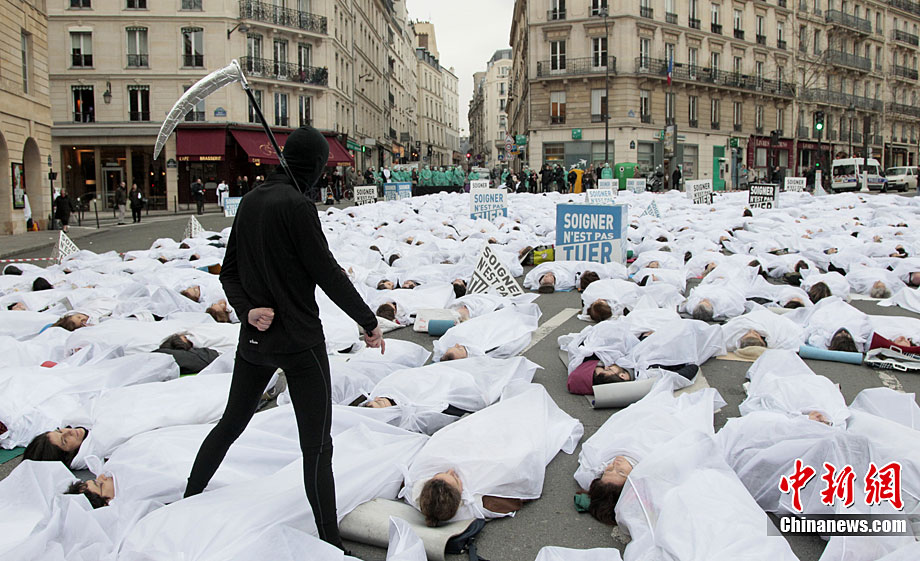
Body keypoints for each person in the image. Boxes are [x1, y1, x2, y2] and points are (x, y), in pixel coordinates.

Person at [182, 126, 385, 552]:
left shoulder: (250, 201)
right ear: (313, 166)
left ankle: (187, 501)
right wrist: (368, 321)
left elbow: (229, 272)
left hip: (255, 341)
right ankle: (331, 545)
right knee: (317, 448)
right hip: (300, 342)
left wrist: (246, 311)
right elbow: (327, 273)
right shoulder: (299, 206)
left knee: (230, 424)